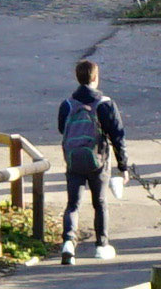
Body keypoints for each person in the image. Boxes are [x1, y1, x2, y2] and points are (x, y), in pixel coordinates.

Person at [56, 57, 131, 265]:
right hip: (98, 160)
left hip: (73, 160)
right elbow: (118, 136)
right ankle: (101, 245)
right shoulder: (105, 104)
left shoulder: (67, 104)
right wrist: (123, 166)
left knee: (73, 204)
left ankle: (68, 244)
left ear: (78, 78)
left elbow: (63, 129)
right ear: (95, 78)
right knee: (100, 202)